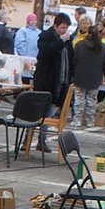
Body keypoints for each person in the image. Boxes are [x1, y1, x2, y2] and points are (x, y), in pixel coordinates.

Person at [32, 12, 72, 150]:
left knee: (50, 111)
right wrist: (60, 41)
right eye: (62, 28)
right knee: (39, 111)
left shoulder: (67, 41)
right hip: (46, 80)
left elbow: (69, 59)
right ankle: (32, 139)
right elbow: (45, 54)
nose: (64, 31)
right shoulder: (46, 37)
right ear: (55, 26)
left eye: (66, 28)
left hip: (60, 80)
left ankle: (42, 140)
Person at [69, 22, 105, 130]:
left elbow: (74, 61)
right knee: (92, 100)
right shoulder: (103, 47)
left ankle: (77, 120)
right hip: (95, 77)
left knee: (79, 99)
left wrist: (72, 74)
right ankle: (90, 121)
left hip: (80, 76)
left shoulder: (79, 45)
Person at [13, 12, 40, 82]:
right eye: (32, 20)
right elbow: (19, 46)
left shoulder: (39, 32)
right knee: (24, 80)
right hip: (24, 62)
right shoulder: (22, 31)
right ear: (28, 21)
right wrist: (25, 59)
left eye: (35, 20)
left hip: (35, 61)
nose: (33, 22)